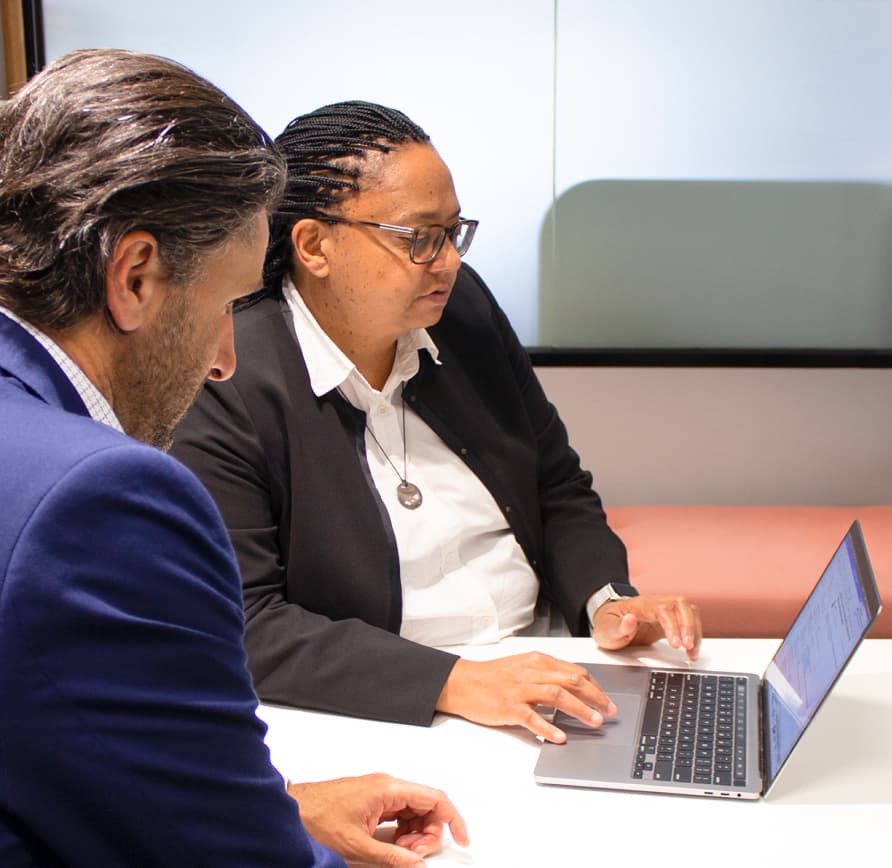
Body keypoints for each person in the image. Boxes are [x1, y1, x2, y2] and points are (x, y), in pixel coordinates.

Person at [0, 52, 467, 867]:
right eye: (225, 304)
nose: (224, 358)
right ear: (136, 276)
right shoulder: (100, 498)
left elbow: (49, 741)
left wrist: (275, 798)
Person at [172, 100, 702, 744]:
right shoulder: (228, 377)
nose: (448, 262)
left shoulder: (462, 309)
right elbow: (250, 623)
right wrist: (456, 682)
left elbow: (556, 487)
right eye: (419, 239)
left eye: (454, 232)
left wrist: (606, 600)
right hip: (392, 711)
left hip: (549, 675)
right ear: (314, 246)